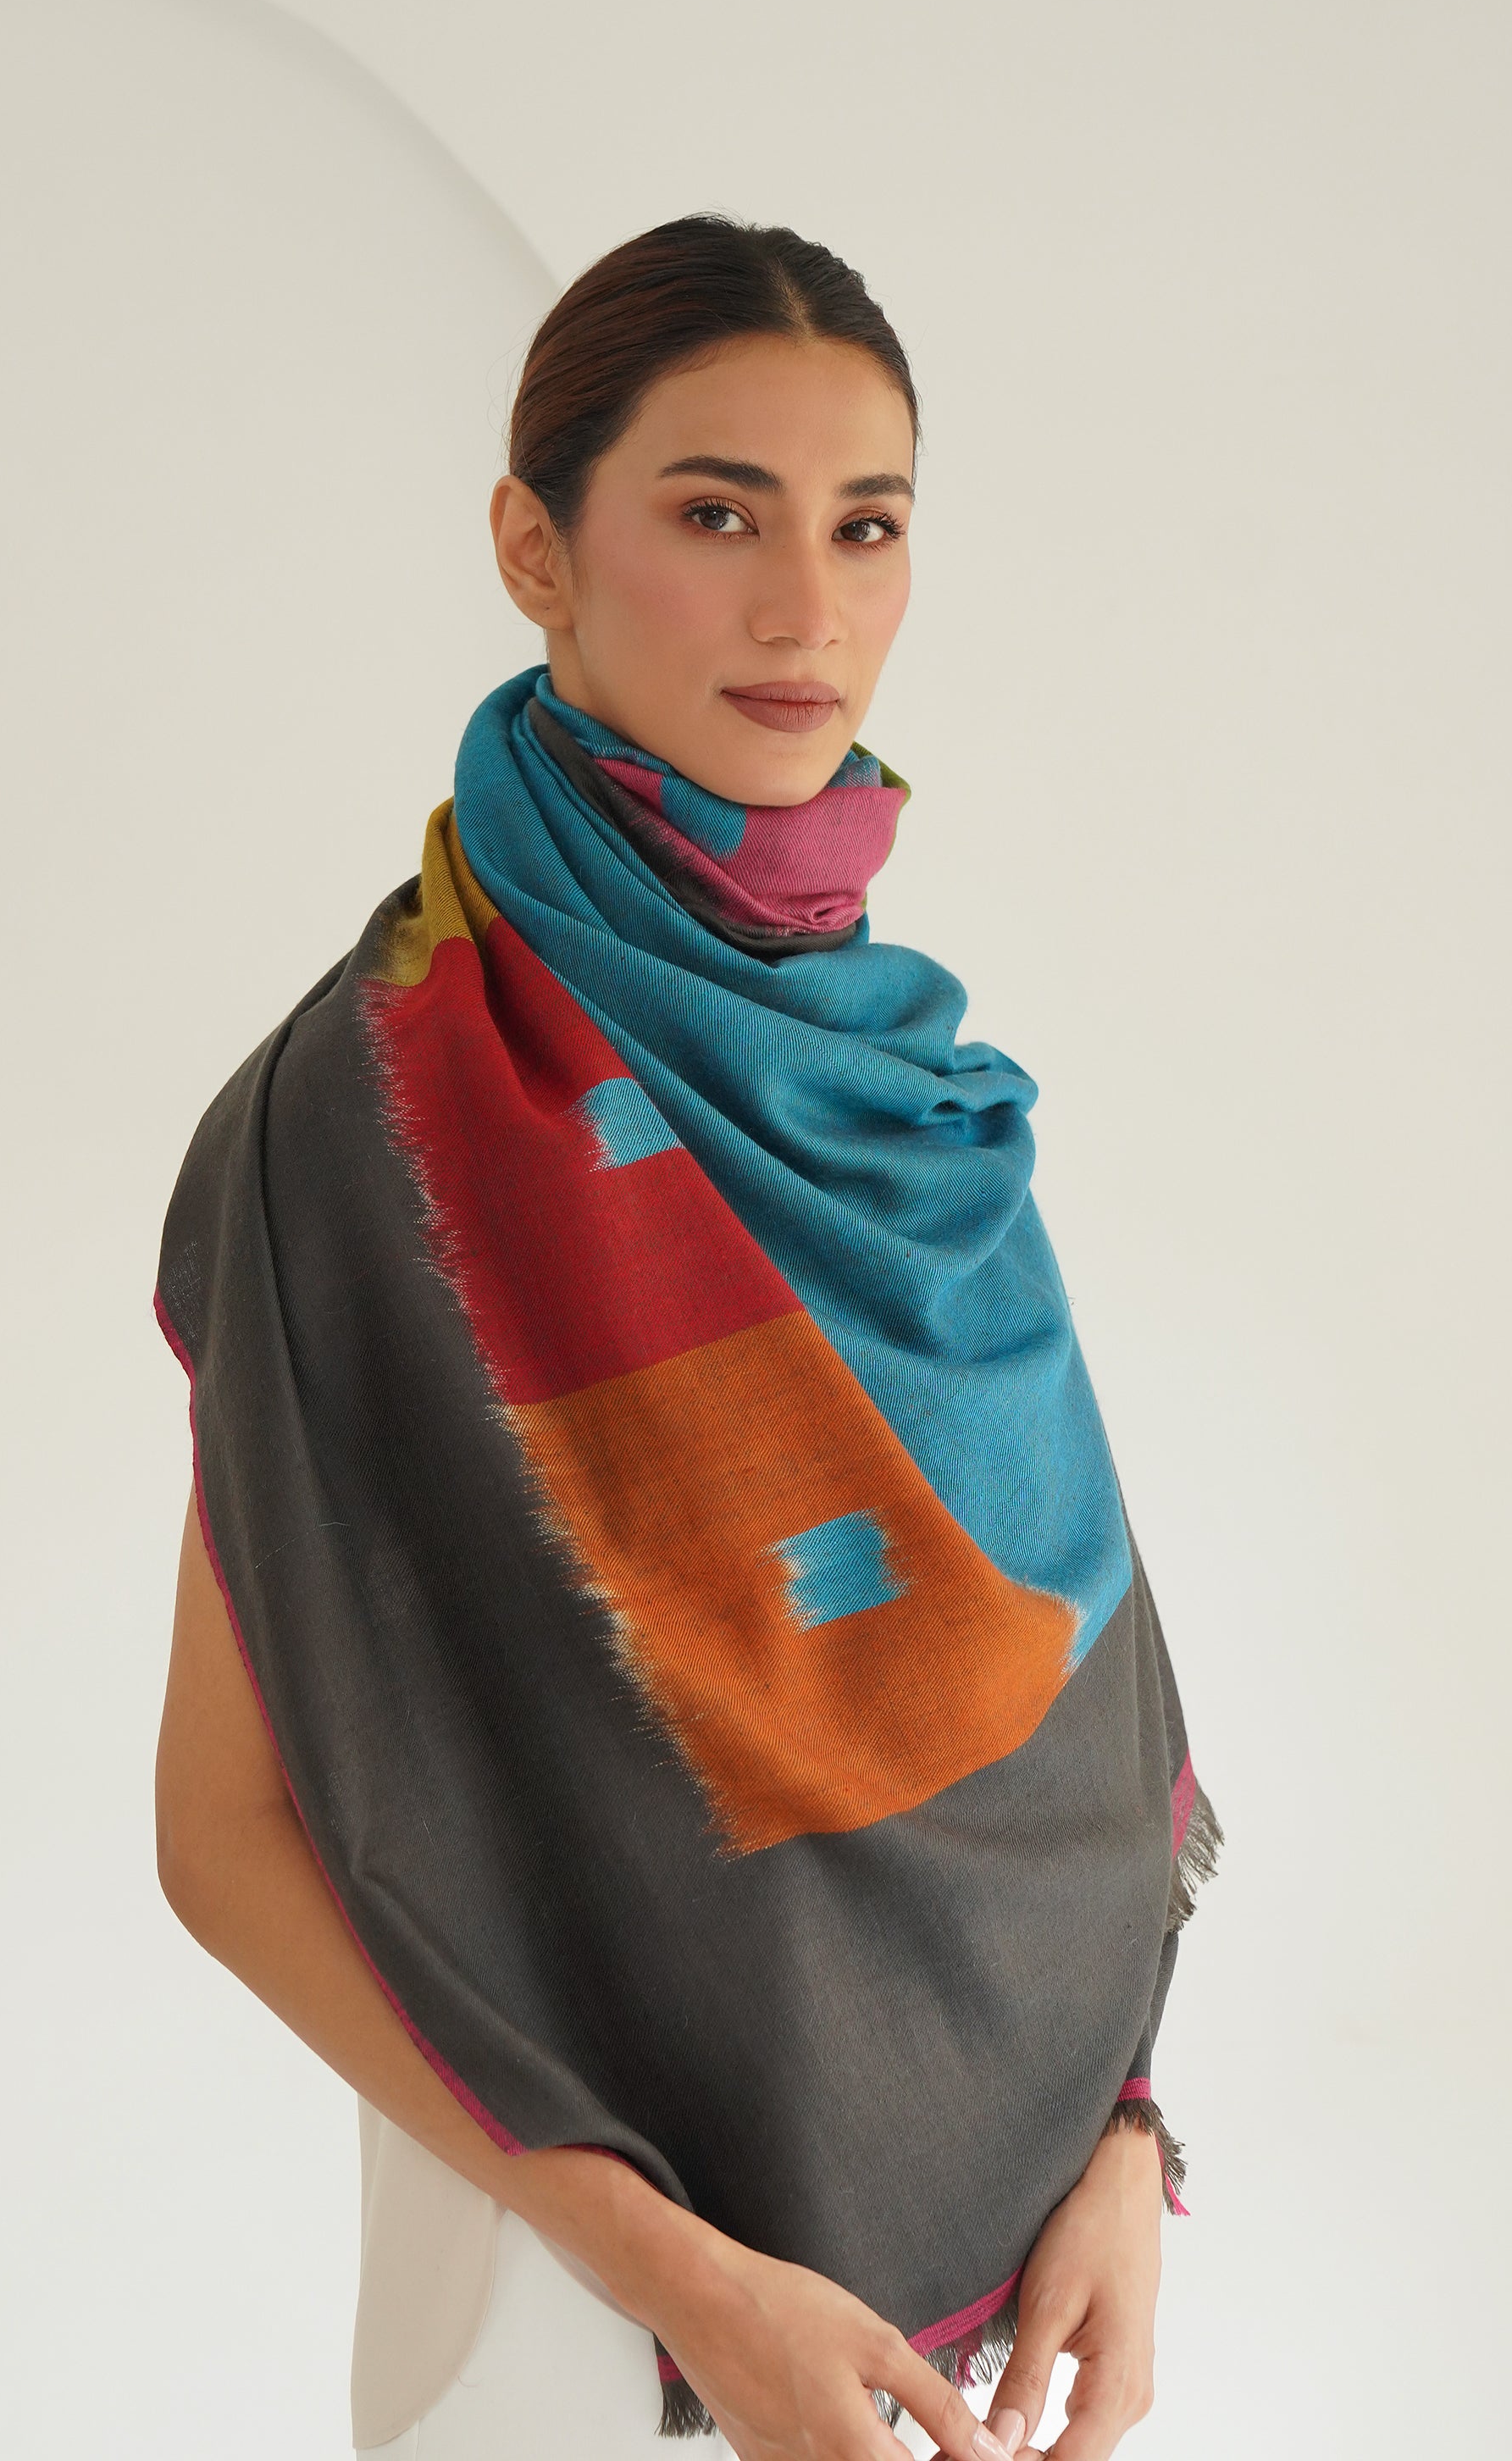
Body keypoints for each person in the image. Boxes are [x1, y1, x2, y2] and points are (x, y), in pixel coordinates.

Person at [152, 215, 1220, 2461]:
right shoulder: (372, 1118)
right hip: (569, 2311)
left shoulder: (902, 1098)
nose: (805, 608)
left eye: (866, 527)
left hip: (1011, 2286)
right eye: (718, 515)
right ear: (534, 549)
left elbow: (1065, 1715)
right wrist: (686, 2283)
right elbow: (225, 1835)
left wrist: (1128, 2134)